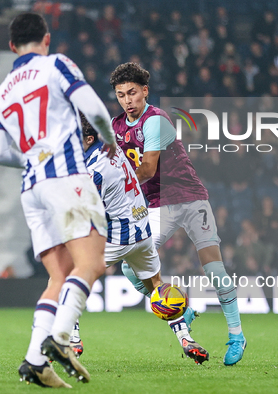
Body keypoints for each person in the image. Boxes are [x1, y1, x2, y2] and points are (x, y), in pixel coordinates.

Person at [0, 12, 116, 388]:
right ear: (46, 39)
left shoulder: (2, 91)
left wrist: (32, 158)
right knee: (91, 263)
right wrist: (108, 138)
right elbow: (93, 108)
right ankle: (59, 339)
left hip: (32, 188)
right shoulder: (56, 64)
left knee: (59, 276)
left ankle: (33, 362)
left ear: (12, 46)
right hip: (66, 178)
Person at [109, 62, 246, 366]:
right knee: (131, 267)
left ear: (145, 91)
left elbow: (146, 169)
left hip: (190, 198)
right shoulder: (116, 126)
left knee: (214, 269)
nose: (127, 100)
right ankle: (179, 310)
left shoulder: (156, 120)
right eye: (121, 95)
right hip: (157, 204)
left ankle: (236, 334)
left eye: (132, 93)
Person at [79, 114, 208, 361]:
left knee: (66, 277)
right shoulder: (113, 148)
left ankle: (71, 339)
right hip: (143, 233)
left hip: (119, 237)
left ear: (89, 138)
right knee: (159, 290)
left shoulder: (93, 170)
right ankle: (186, 339)